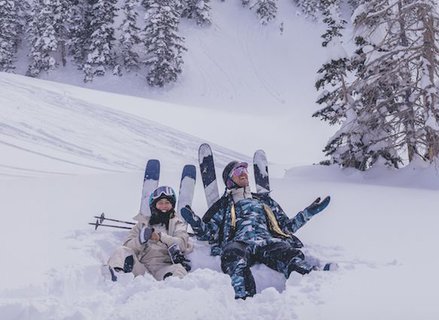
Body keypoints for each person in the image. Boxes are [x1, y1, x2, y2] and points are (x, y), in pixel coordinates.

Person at [181, 161, 331, 299]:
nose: (244, 173)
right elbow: (209, 234)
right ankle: (244, 299)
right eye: (238, 171)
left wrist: (308, 213)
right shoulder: (224, 205)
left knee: (288, 254)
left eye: (245, 170)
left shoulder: (264, 201)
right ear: (229, 180)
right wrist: (195, 223)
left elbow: (285, 227)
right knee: (232, 257)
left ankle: (313, 277)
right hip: (239, 243)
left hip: (268, 241)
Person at [108, 186, 192, 281]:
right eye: (160, 203)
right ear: (154, 205)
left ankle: (170, 291)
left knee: (178, 270)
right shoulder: (142, 224)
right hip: (142, 268)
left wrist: (161, 237)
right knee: (121, 251)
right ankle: (117, 280)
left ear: (172, 205)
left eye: (167, 203)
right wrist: (140, 240)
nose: (164, 206)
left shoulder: (177, 223)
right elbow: (127, 246)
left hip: (164, 268)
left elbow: (182, 243)